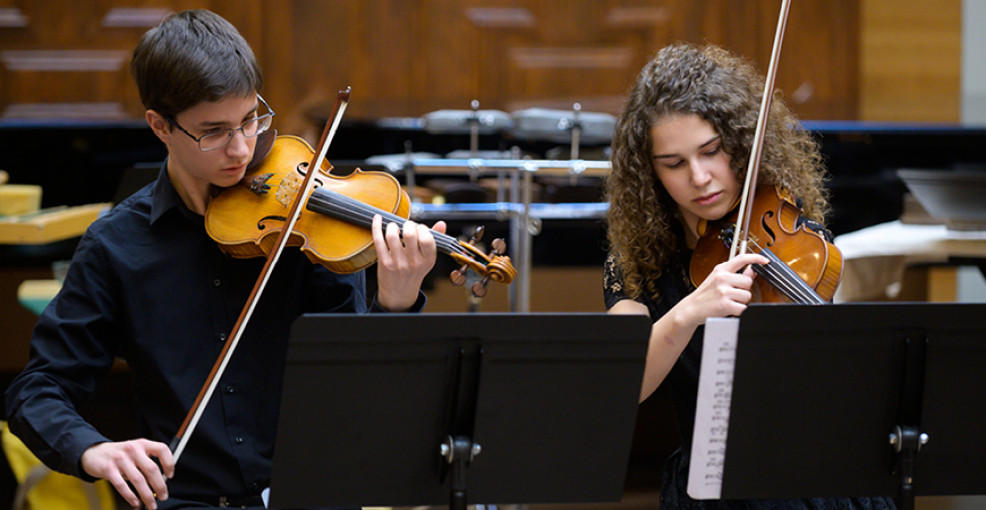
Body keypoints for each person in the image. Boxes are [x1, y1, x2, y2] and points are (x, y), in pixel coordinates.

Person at [4, 9, 444, 510]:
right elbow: (36, 390)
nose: (241, 148)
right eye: (213, 131)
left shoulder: (303, 227)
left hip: (309, 495)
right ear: (159, 126)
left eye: (251, 120)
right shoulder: (116, 246)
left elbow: (365, 394)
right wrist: (95, 449)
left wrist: (395, 306)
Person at [603, 43, 896, 509]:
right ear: (649, 172)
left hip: (813, 481)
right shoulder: (638, 260)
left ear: (740, 144)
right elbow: (620, 384)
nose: (700, 177)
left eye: (712, 152)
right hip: (712, 490)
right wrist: (689, 312)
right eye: (674, 164)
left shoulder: (793, 237)